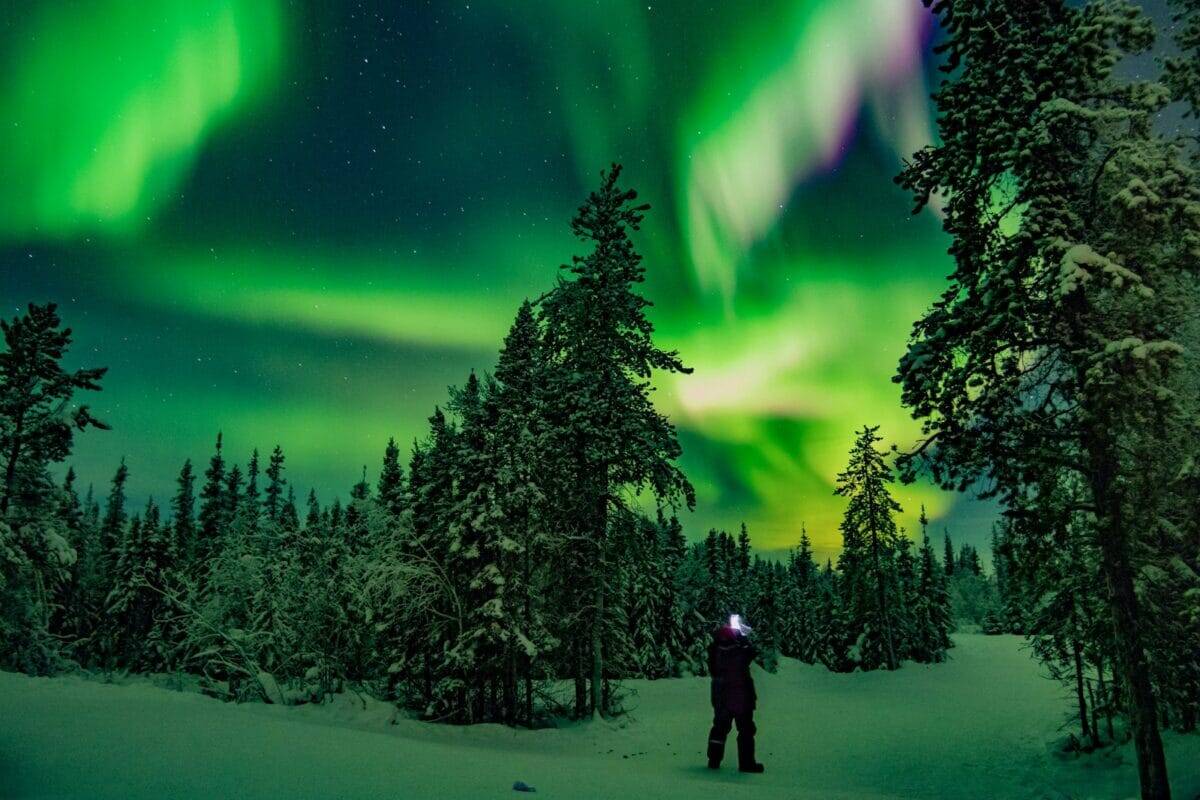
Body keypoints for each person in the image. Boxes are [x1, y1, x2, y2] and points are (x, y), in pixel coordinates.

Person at [706, 615, 764, 773]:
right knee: (745, 731)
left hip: (721, 697)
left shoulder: (714, 652)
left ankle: (714, 760)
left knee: (719, 729)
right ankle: (747, 764)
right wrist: (743, 638)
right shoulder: (739, 652)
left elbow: (713, 669)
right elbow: (752, 653)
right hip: (741, 698)